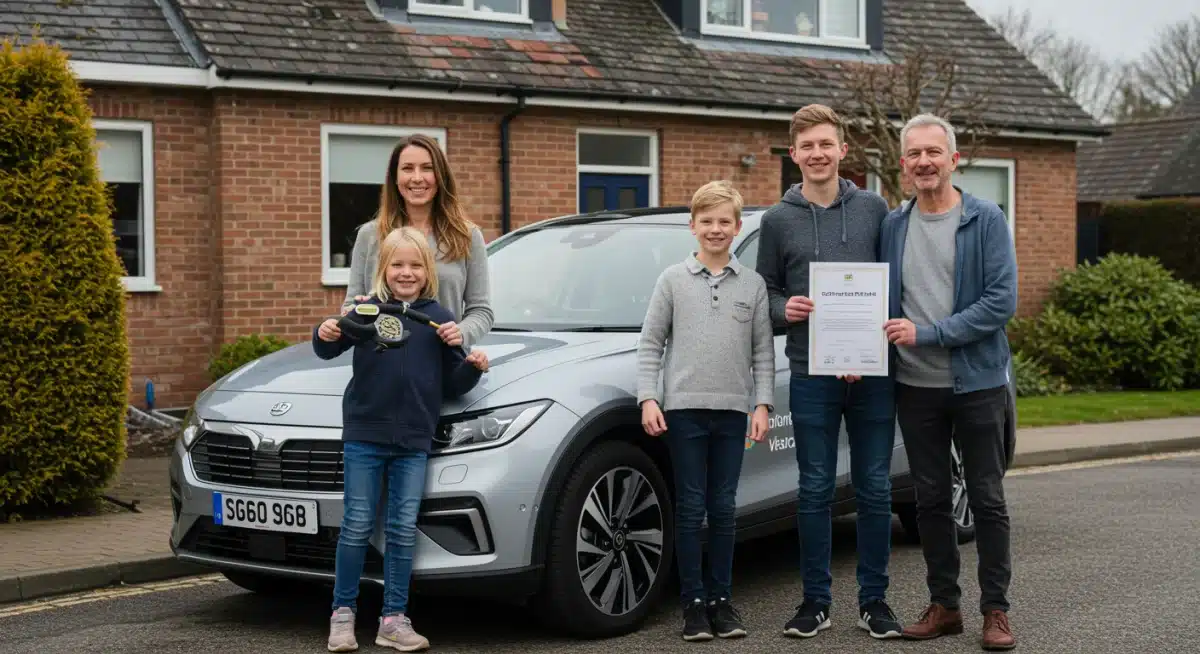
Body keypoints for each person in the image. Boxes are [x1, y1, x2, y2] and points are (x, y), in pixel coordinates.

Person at [754, 104, 902, 640]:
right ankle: (815, 602)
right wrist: (783, 309)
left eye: (826, 144)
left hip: (872, 374)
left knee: (875, 487)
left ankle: (875, 601)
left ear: (843, 150)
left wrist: (871, 343)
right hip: (811, 374)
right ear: (793, 155)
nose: (817, 154)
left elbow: (892, 283)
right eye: (807, 147)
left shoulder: (875, 210)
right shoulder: (776, 220)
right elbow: (765, 291)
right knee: (814, 487)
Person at [879, 113, 1018, 651]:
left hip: (977, 383)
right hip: (915, 387)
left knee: (986, 499)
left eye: (934, 152)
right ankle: (945, 606)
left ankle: (996, 611)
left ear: (954, 159)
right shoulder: (894, 225)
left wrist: (930, 333)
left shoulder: (986, 219)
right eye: (914, 154)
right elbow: (877, 299)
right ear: (903, 164)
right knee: (930, 501)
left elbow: (1000, 303)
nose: (924, 162)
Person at [316, 226, 490, 652]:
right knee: (356, 525)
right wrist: (324, 332)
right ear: (383, 269)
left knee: (400, 530)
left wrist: (474, 364)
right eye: (397, 264)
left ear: (427, 270)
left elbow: (454, 383)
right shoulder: (367, 310)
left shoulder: (441, 320)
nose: (406, 272)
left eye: (415, 265)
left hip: (414, 440)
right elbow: (329, 347)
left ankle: (393, 619)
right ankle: (343, 615)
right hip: (364, 436)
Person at [637, 180, 774, 642]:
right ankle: (693, 602)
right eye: (707, 221)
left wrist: (762, 403)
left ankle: (722, 599)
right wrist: (648, 397)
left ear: (737, 228)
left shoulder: (751, 285)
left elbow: (762, 352)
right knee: (691, 505)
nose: (715, 229)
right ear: (692, 226)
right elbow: (651, 343)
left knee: (724, 507)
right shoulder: (672, 280)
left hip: (733, 412)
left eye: (724, 222)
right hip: (684, 412)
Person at [342, 133, 493, 349]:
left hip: (444, 367)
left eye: (427, 168)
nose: (417, 177)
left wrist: (461, 332)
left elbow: (481, 310)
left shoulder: (467, 236)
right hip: (382, 365)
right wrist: (353, 314)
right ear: (395, 177)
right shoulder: (370, 236)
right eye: (407, 168)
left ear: (440, 176)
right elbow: (351, 306)